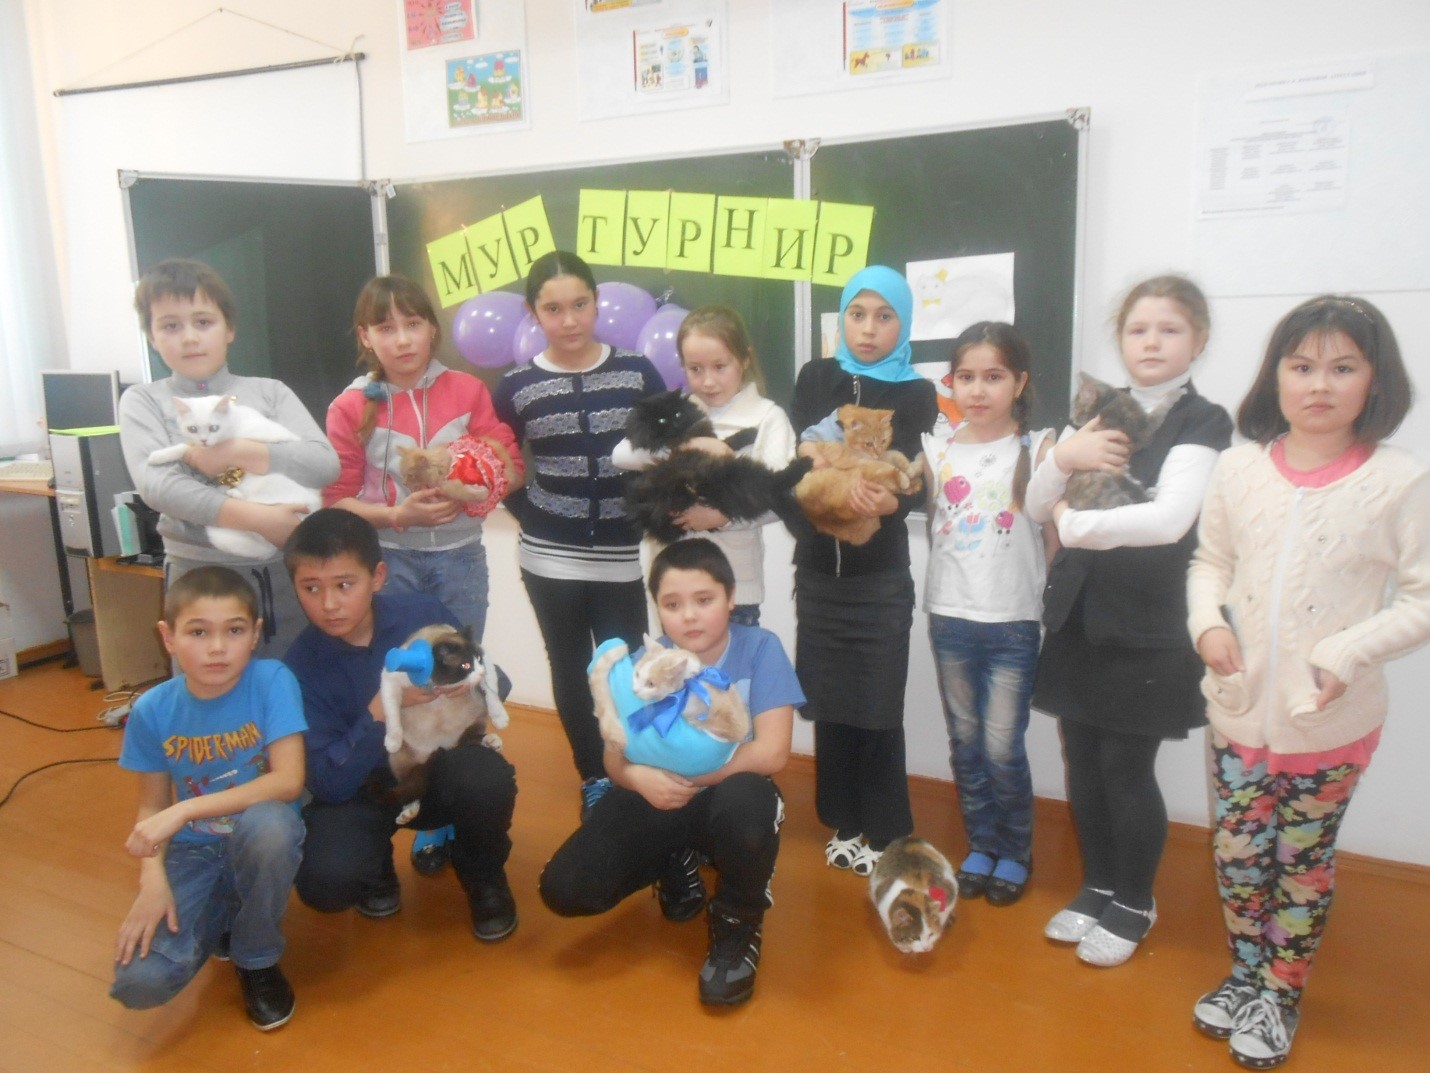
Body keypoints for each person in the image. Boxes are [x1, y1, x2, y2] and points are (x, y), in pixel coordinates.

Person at [1186, 296, 1428, 1069]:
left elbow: (1422, 598)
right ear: (1276, 377)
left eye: (1342, 367)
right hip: (1238, 710)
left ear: (1374, 380)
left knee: (1301, 863)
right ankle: (1245, 974)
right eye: (1302, 366)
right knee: (1237, 853)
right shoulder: (1238, 467)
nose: (1319, 384)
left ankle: (1280, 993)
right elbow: (1210, 562)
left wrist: (1347, 650)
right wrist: (1207, 624)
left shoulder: (1400, 479)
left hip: (1329, 722)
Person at [1025, 274, 1232, 966]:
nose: (1151, 342)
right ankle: (1099, 885)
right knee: (1082, 756)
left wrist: (1073, 523)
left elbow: (1169, 521)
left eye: (1169, 329)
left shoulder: (1203, 420)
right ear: (1121, 338)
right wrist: (1063, 458)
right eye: (1138, 329)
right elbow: (1035, 503)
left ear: (1198, 340)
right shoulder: (1099, 410)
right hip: (1080, 615)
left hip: (1150, 623)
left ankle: (1136, 900)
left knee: (1125, 763)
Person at [538, 538, 804, 1006]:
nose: (690, 616)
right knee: (564, 889)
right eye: (673, 604)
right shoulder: (644, 665)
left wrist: (697, 780)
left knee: (748, 806)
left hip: (730, 793)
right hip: (656, 792)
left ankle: (737, 925)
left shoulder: (760, 648)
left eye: (704, 600)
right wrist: (637, 779)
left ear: (731, 598)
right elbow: (613, 758)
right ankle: (674, 859)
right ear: (657, 609)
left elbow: (772, 753)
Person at [326, 274, 523, 876]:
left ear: (433, 328)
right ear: (365, 336)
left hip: (461, 558)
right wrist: (395, 515)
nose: (403, 339)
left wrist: (481, 484)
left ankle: (450, 818)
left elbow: (508, 461)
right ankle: (393, 819)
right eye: (386, 328)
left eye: (413, 324)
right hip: (391, 563)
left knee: (461, 682)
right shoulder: (350, 406)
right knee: (400, 688)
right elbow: (334, 500)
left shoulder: (466, 389)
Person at [281, 508, 518, 942]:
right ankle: (376, 869)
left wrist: (460, 685)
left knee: (485, 777)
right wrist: (381, 708)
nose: (329, 604)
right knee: (325, 883)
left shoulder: (421, 613)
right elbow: (329, 782)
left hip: (436, 770)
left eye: (344, 585)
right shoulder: (298, 666)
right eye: (311, 588)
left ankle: (482, 873)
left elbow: (496, 681)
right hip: (362, 788)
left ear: (378, 576)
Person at [492, 251, 666, 816]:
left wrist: (647, 509)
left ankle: (632, 768)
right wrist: (526, 509)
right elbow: (494, 459)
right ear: (532, 313)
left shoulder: (637, 371)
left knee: (626, 667)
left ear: (596, 302)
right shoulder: (517, 384)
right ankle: (594, 777)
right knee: (569, 666)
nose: (569, 320)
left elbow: (666, 448)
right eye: (553, 309)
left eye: (580, 304)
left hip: (619, 552)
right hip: (547, 556)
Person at [789, 265, 938, 878]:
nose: (869, 329)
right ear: (842, 320)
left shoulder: (919, 392)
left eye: (884, 316)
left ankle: (884, 826)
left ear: (904, 323)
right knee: (829, 701)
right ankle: (844, 820)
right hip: (818, 573)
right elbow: (800, 460)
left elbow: (914, 476)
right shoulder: (816, 376)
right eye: (857, 314)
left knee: (877, 703)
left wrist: (889, 500)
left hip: (879, 576)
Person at [110, 566, 306, 1031]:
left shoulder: (272, 680)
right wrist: (152, 878)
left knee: (272, 827)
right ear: (168, 637)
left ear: (255, 634)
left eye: (233, 631)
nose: (217, 647)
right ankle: (224, 913)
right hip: (194, 851)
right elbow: (152, 807)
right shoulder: (151, 710)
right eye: (198, 632)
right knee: (140, 984)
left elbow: (288, 781)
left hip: (258, 835)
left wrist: (185, 809)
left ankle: (256, 955)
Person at [119, 258, 340, 658]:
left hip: (285, 576)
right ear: (151, 336)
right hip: (198, 580)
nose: (189, 338)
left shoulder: (270, 392)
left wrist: (239, 451)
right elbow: (159, 486)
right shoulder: (144, 400)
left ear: (229, 329)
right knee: (211, 692)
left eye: (203, 322)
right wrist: (259, 519)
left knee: (291, 685)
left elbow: (324, 465)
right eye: (170, 326)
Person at [923, 322, 1056, 907]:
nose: (977, 390)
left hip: (1012, 622)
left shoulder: (1040, 448)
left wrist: (1042, 595)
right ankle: (982, 843)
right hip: (950, 616)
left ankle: (1016, 851)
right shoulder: (938, 449)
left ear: (1019, 382)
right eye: (966, 377)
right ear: (952, 382)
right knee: (966, 741)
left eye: (993, 377)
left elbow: (1053, 537)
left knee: (1002, 745)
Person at [611, 305, 798, 626]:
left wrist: (722, 517)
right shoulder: (681, 411)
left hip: (733, 587)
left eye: (720, 367)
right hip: (675, 583)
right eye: (695, 369)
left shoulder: (768, 416)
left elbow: (780, 494)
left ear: (745, 359)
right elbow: (621, 454)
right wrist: (695, 447)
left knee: (732, 660)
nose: (708, 381)